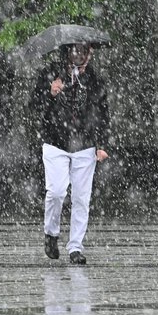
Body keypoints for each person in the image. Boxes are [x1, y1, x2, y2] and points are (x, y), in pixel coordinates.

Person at [29, 42, 110, 265]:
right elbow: (34, 107)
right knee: (56, 192)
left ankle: (75, 247)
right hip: (55, 143)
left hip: (85, 145)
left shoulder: (94, 79)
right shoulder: (50, 74)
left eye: (84, 51)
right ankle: (51, 233)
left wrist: (102, 143)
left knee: (82, 198)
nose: (80, 55)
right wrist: (50, 93)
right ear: (67, 52)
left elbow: (102, 113)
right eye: (75, 50)